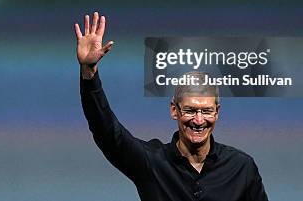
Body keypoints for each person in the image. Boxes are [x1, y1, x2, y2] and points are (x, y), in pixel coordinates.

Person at [74, 12, 269, 201]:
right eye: (190, 110)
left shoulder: (242, 168)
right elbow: (107, 133)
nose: (199, 120)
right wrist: (89, 73)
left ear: (217, 113)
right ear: (174, 110)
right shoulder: (152, 163)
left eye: (206, 111)